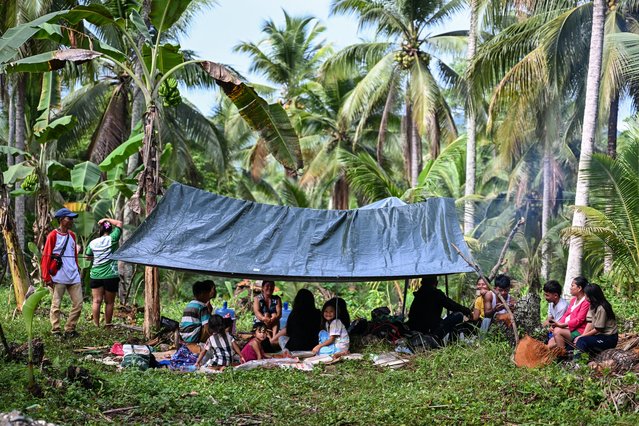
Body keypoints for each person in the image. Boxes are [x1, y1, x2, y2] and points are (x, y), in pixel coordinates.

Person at [41, 207, 82, 337]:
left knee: (78, 304)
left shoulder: (72, 236)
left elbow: (74, 255)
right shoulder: (53, 236)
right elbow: (46, 256)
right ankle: (56, 330)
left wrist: (77, 267)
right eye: (69, 218)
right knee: (56, 305)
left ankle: (70, 328)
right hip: (58, 276)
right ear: (61, 220)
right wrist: (46, 276)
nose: (72, 221)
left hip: (73, 275)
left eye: (72, 218)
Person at [407, 275, 472, 341]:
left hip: (417, 328)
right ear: (436, 283)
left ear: (422, 283)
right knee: (458, 315)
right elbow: (452, 305)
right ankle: (435, 338)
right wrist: (467, 311)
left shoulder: (418, 295)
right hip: (430, 331)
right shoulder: (436, 294)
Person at [85, 218, 122, 327]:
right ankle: (108, 324)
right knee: (109, 302)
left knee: (96, 301)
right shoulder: (113, 238)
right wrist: (106, 219)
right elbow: (119, 223)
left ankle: (96, 325)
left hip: (96, 275)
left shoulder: (93, 243)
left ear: (99, 230)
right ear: (110, 229)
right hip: (111, 275)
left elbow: (87, 257)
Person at [574, 284, 618, 360]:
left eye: (586, 295)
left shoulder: (602, 308)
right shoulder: (592, 305)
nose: (584, 297)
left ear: (592, 296)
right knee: (576, 340)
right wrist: (582, 335)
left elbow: (598, 329)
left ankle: (578, 363)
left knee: (582, 341)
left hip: (608, 338)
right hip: (599, 336)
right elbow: (590, 322)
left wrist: (582, 337)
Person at [547, 276, 590, 351]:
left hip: (579, 330)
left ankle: (562, 355)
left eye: (572, 285)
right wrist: (558, 324)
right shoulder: (573, 300)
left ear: (579, 288)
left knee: (557, 331)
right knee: (550, 343)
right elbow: (566, 315)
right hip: (569, 328)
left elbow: (579, 320)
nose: (570, 288)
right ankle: (562, 353)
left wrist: (562, 325)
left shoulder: (586, 302)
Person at [252, 280, 282, 351]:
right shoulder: (257, 298)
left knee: (274, 315)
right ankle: (269, 339)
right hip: (260, 322)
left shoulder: (277, 299)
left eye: (271, 286)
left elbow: (279, 314)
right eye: (267, 286)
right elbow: (257, 312)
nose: (270, 288)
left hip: (273, 323)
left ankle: (273, 339)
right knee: (266, 315)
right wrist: (264, 318)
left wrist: (274, 318)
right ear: (262, 287)